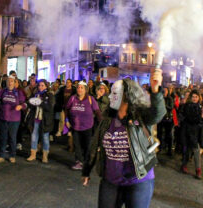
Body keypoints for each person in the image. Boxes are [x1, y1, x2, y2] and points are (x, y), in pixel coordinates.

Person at [82, 70, 166, 208]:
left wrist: (156, 91)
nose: (109, 96)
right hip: (111, 180)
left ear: (126, 96)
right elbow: (94, 145)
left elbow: (158, 113)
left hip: (138, 180)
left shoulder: (141, 116)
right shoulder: (107, 119)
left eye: (114, 93)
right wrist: (86, 170)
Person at [0, 76, 26, 163]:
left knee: (12, 138)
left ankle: (12, 155)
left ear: (15, 82)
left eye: (11, 81)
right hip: (3, 118)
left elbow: (25, 104)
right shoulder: (3, 91)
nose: (10, 83)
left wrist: (21, 106)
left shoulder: (19, 92)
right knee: (3, 138)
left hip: (14, 120)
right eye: (8, 81)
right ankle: (1, 155)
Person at [66, 82, 102, 170]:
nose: (79, 89)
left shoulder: (90, 99)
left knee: (87, 146)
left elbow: (97, 112)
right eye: (78, 87)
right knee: (77, 145)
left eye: (82, 88)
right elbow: (67, 109)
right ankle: (79, 162)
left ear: (85, 90)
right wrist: (67, 120)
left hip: (87, 127)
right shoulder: (72, 98)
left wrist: (101, 123)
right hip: (75, 126)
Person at [26, 80, 55, 163]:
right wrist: (31, 103)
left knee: (45, 138)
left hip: (45, 120)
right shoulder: (35, 94)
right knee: (34, 137)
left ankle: (45, 156)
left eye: (42, 85)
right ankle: (33, 154)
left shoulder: (50, 95)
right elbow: (30, 103)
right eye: (39, 85)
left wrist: (40, 102)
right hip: (35, 119)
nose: (40, 87)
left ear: (46, 86)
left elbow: (50, 108)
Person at [179, 90, 203, 179]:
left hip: (196, 133)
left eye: (196, 97)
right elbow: (191, 119)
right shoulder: (187, 106)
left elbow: (201, 122)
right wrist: (202, 115)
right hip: (187, 131)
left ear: (199, 98)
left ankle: (198, 170)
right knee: (189, 150)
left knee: (195, 150)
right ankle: (185, 166)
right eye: (193, 97)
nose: (194, 98)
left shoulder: (199, 107)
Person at [157, 87, 174, 156]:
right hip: (161, 118)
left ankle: (169, 149)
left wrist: (164, 104)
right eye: (163, 90)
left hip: (168, 118)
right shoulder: (160, 98)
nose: (164, 92)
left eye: (166, 90)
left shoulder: (170, 98)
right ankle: (160, 147)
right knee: (159, 134)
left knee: (169, 134)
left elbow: (171, 107)